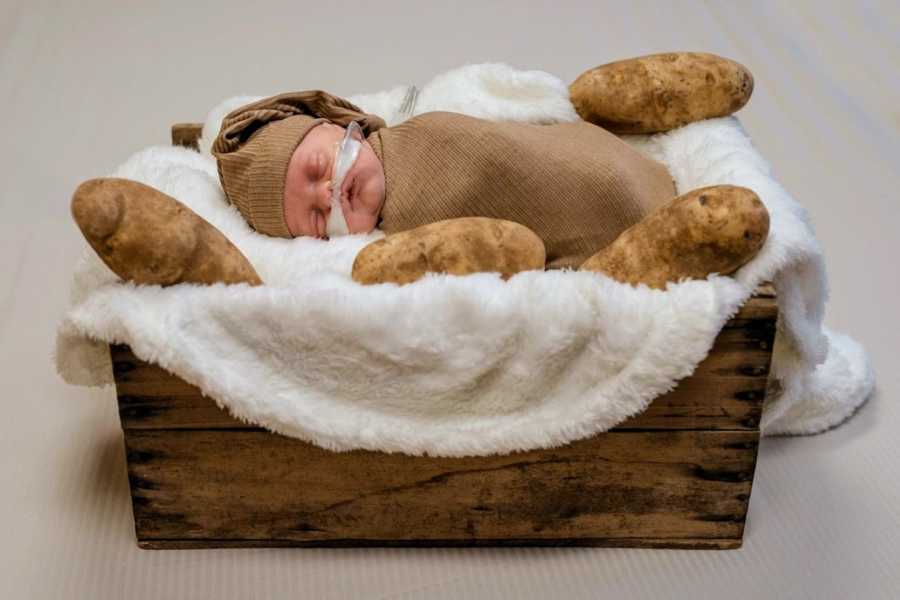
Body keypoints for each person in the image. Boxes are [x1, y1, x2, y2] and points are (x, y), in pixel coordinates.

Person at [211, 90, 679, 270]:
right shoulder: (393, 243)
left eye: (316, 169)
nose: (329, 192)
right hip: (598, 238)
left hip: (594, 160)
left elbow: (504, 149)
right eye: (316, 217)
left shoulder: (424, 133)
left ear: (337, 127)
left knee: (588, 175)